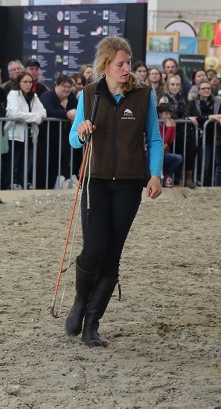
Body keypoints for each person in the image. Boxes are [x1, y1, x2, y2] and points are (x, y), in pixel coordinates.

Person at [66, 36, 163, 347]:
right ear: (106, 65)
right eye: (120, 63)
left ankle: (93, 323)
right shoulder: (89, 94)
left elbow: (155, 139)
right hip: (95, 181)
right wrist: (80, 132)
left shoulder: (143, 95)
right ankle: (81, 302)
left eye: (128, 63)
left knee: (113, 253)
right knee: (93, 248)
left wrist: (156, 174)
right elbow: (73, 138)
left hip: (129, 183)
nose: (126, 68)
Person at [5, 72, 46, 189]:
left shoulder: (34, 96)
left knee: (26, 165)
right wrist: (35, 117)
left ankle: (23, 187)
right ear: (19, 83)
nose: (28, 85)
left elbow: (43, 113)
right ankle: (8, 186)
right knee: (12, 165)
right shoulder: (13, 94)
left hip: (30, 136)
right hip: (15, 136)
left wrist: (33, 117)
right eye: (25, 82)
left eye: (30, 82)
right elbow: (16, 114)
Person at [40, 74, 79, 189]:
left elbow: (79, 110)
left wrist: (75, 113)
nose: (67, 89)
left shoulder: (71, 97)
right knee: (48, 166)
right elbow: (50, 111)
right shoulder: (47, 96)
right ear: (56, 85)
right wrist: (68, 114)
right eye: (64, 86)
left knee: (65, 163)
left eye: (69, 86)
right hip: (47, 139)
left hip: (65, 140)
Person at [155, 101, 183, 188]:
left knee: (178, 158)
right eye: (166, 113)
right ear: (159, 114)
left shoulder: (167, 124)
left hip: (165, 152)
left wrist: (173, 128)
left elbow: (170, 141)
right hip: (157, 153)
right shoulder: (157, 124)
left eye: (169, 114)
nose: (168, 116)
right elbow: (163, 141)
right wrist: (170, 128)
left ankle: (168, 175)